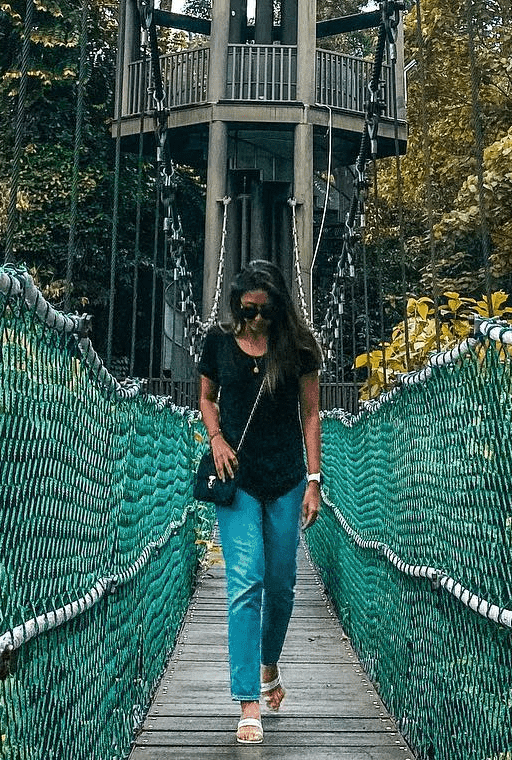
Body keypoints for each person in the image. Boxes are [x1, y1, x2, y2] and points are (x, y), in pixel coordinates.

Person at [198, 259, 323, 745]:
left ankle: (269, 661)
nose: (254, 320)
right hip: (237, 477)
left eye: (263, 311)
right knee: (246, 582)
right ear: (236, 304)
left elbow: (311, 412)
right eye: (246, 310)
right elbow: (207, 397)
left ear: (278, 308)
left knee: (283, 584)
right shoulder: (218, 341)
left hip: (288, 474)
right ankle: (248, 699)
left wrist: (314, 480)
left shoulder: (297, 347)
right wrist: (216, 439)